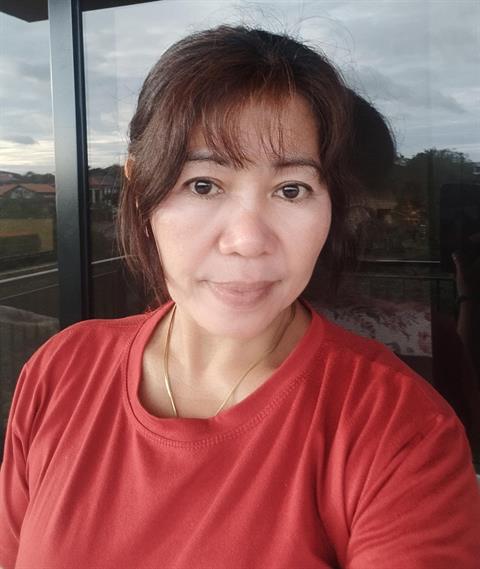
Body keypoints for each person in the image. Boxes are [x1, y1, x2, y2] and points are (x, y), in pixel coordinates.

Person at [1, 25, 479, 569]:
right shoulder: (62, 370)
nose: (248, 240)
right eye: (203, 185)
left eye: (291, 189)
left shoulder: (400, 429)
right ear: (139, 192)